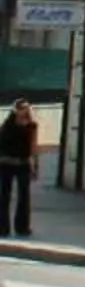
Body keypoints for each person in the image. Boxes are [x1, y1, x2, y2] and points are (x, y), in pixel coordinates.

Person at [0, 98, 38, 236]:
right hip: (6, 163)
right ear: (15, 110)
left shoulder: (32, 125)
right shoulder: (7, 125)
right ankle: (2, 228)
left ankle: (22, 227)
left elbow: (34, 146)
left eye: (26, 109)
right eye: (21, 109)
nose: (23, 111)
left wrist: (35, 166)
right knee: (4, 196)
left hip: (23, 163)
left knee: (24, 196)